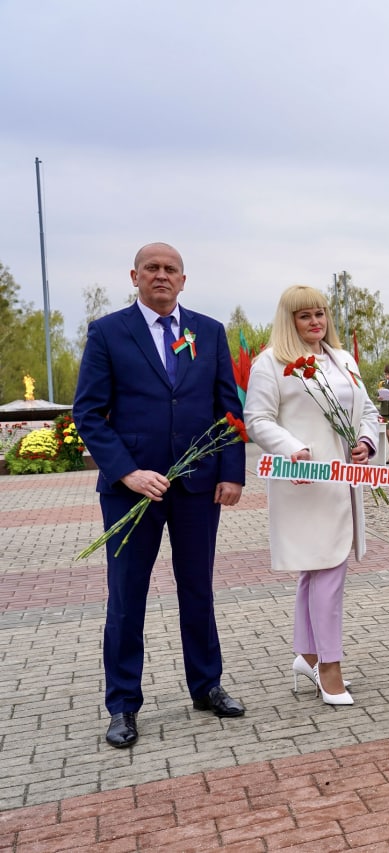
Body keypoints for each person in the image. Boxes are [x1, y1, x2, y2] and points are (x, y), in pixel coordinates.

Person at [72, 242, 246, 748]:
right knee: (127, 597)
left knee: (198, 589)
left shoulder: (209, 332)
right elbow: (88, 412)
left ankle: (206, 685)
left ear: (184, 280)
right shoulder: (108, 333)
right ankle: (123, 704)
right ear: (135, 276)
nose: (162, 276)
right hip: (132, 492)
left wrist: (231, 472)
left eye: (171, 269)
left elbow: (227, 409)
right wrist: (127, 473)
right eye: (153, 268)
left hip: (197, 487)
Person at [243, 285, 380, 706]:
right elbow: (257, 418)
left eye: (320, 314)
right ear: (289, 320)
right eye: (305, 316)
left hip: (343, 479)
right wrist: (291, 448)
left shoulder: (343, 359)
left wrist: (366, 440)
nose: (315, 322)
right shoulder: (271, 364)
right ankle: (330, 667)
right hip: (304, 481)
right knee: (327, 569)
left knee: (316, 570)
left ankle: (307, 655)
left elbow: (369, 410)